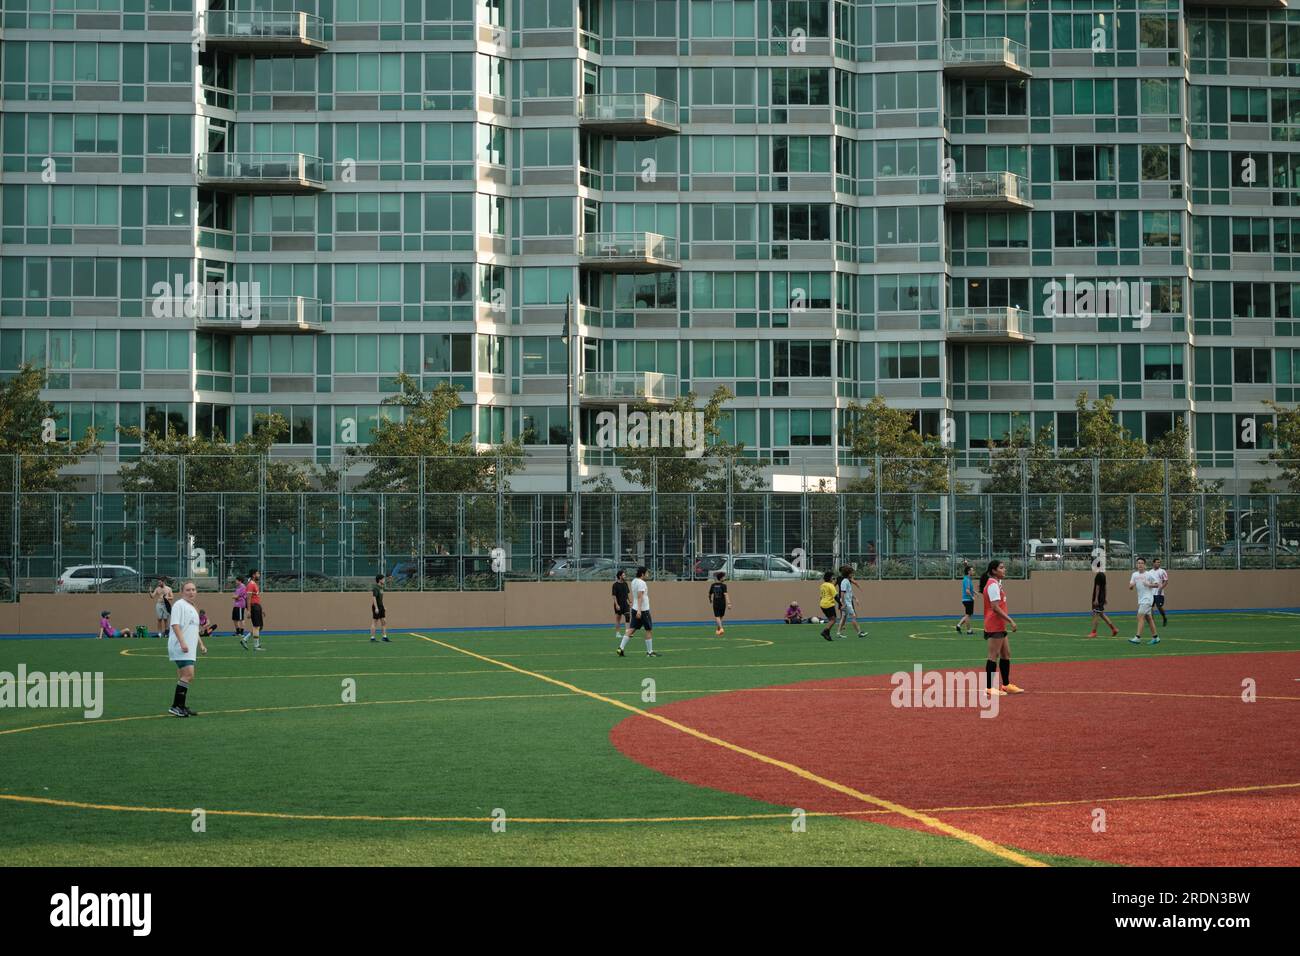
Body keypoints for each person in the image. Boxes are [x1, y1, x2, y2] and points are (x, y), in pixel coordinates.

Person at [980, 560, 1024, 696]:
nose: (1004, 570)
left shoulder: (996, 583)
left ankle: (1006, 685)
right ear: (994, 570)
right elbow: (995, 607)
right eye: (1001, 568)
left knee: (1006, 654)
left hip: (999, 624)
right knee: (993, 655)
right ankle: (989, 688)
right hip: (994, 624)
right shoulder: (992, 585)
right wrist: (1010, 620)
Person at [167, 580, 207, 717]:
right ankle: (175, 706)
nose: (191, 592)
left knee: (184, 676)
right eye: (188, 590)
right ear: (182, 592)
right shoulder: (179, 605)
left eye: (193, 590)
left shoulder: (192, 607)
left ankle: (181, 706)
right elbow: (175, 625)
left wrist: (200, 644)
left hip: (188, 647)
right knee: (189, 675)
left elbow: (194, 629)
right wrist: (183, 643)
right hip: (180, 646)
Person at [618, 566, 658, 658]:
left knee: (632, 629)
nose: (648, 574)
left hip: (635, 608)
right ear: (642, 574)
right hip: (643, 610)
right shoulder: (641, 583)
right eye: (647, 573)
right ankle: (649, 652)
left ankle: (621, 648)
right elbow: (640, 597)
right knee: (648, 629)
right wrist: (639, 611)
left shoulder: (634, 581)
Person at [1127, 558, 1160, 646]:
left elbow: (1157, 584)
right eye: (1138, 563)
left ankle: (1137, 637)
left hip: (1148, 599)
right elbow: (1130, 587)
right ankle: (1156, 637)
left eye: (1142, 563)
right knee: (1149, 619)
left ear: (1145, 565)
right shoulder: (1134, 575)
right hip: (1141, 600)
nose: (1140, 565)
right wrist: (1132, 585)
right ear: (1136, 565)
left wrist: (1149, 585)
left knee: (1139, 616)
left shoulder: (1149, 574)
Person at [835, 564, 867, 639]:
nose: (852, 574)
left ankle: (838, 633)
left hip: (847, 602)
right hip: (847, 603)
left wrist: (855, 598)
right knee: (853, 616)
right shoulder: (844, 582)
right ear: (848, 574)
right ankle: (859, 632)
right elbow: (842, 593)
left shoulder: (846, 581)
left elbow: (849, 592)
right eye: (851, 573)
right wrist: (843, 603)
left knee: (844, 617)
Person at [1087, 570, 1120, 637]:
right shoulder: (1103, 575)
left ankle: (1094, 632)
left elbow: (1097, 587)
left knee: (1096, 614)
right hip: (1102, 597)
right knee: (1101, 614)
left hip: (1098, 598)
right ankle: (1114, 629)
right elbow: (1105, 587)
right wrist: (1104, 597)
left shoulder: (1098, 575)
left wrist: (1096, 599)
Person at [242, 568, 264, 651]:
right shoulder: (251, 584)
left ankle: (245, 639)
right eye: (258, 573)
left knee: (259, 627)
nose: (259, 575)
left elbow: (255, 597)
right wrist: (249, 610)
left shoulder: (254, 584)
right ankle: (256, 646)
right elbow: (248, 599)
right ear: (253, 575)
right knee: (256, 626)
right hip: (254, 607)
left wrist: (261, 609)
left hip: (257, 606)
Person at [612, 569, 631, 644]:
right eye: (623, 575)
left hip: (625, 604)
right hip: (618, 604)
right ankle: (617, 633)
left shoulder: (625, 584)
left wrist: (630, 601)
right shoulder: (615, 585)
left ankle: (627, 632)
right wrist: (616, 604)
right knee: (618, 619)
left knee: (627, 616)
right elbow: (613, 596)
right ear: (620, 576)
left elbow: (628, 593)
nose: (624, 576)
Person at [818, 570, 838, 641]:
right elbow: (836, 596)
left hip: (822, 604)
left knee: (830, 620)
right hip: (829, 604)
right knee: (833, 620)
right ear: (830, 578)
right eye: (833, 578)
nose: (834, 579)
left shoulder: (823, 585)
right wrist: (841, 604)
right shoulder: (830, 585)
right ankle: (825, 632)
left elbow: (821, 596)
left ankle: (828, 635)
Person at [370, 574, 390, 642]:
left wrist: (383, 606)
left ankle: (384, 637)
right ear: (380, 580)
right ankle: (372, 638)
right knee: (375, 622)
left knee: (384, 622)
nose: (384, 580)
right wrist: (376, 608)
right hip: (377, 607)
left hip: (381, 607)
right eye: (383, 579)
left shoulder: (381, 587)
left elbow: (381, 599)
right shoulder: (375, 587)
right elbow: (374, 598)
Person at [956, 563, 974, 635]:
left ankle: (959, 625)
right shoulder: (967, 580)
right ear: (969, 571)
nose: (973, 572)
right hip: (968, 600)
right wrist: (972, 596)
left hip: (967, 600)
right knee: (968, 615)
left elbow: (969, 589)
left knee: (968, 615)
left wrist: (974, 592)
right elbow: (967, 590)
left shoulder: (968, 579)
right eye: (972, 570)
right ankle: (969, 630)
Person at [1151, 557, 1170, 626]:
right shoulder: (1150, 572)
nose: (1158, 563)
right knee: (1150, 607)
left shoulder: (1162, 571)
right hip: (1151, 593)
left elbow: (1166, 581)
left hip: (1159, 593)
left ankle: (1164, 618)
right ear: (1153, 563)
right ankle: (1152, 622)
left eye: (1159, 562)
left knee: (1159, 606)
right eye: (1157, 562)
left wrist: (1161, 588)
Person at [231, 575, 247, 642]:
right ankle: (238, 632)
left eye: (236, 580)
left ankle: (242, 633)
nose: (236, 581)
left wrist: (235, 596)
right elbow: (234, 596)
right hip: (236, 605)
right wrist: (235, 596)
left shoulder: (243, 587)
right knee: (235, 619)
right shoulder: (238, 587)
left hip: (240, 605)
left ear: (239, 581)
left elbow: (236, 596)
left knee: (241, 619)